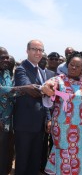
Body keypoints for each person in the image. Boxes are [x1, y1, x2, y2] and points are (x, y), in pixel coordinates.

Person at [41, 51, 82, 175]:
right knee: (64, 154)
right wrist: (47, 87)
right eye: (71, 64)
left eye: (77, 66)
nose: (73, 67)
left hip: (80, 128)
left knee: (78, 155)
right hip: (61, 128)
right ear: (67, 65)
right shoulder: (59, 80)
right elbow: (48, 85)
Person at [0, 46, 42, 175]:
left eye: (7, 57)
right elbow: (3, 90)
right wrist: (25, 88)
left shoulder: (6, 72)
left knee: (5, 155)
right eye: (2, 57)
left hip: (9, 122)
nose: (6, 60)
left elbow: (11, 92)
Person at [14, 40, 51, 175]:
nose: (38, 52)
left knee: (34, 162)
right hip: (24, 124)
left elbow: (45, 99)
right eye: (34, 49)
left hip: (39, 125)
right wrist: (45, 89)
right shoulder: (21, 69)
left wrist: (48, 118)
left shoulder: (42, 71)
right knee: (23, 162)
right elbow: (30, 89)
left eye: (41, 50)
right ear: (27, 51)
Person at [38, 53, 56, 173]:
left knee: (49, 142)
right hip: (38, 113)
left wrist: (50, 117)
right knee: (40, 143)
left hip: (52, 113)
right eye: (42, 59)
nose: (43, 61)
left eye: (45, 59)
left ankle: (45, 166)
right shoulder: (34, 73)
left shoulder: (52, 75)